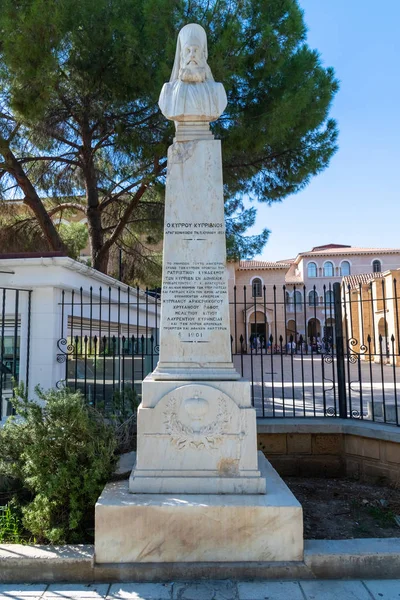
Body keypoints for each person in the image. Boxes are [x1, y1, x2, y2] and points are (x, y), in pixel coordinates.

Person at [158, 24, 227, 128]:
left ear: (203, 55)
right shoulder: (168, 91)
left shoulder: (217, 91)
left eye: (196, 50)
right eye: (188, 50)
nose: (192, 55)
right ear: (181, 56)